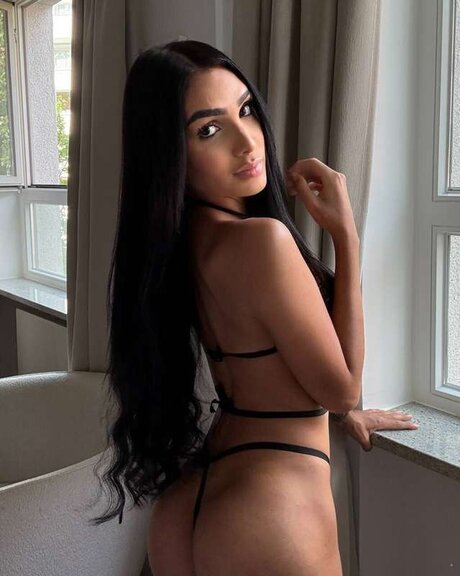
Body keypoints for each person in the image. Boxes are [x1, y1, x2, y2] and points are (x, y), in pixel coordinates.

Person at [90, 39, 418, 575]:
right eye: (208, 130)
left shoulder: (178, 244)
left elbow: (268, 355)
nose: (247, 142)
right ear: (169, 152)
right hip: (271, 509)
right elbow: (341, 387)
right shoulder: (262, 241)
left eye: (245, 110)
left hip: (189, 505)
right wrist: (346, 237)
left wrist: (345, 415)